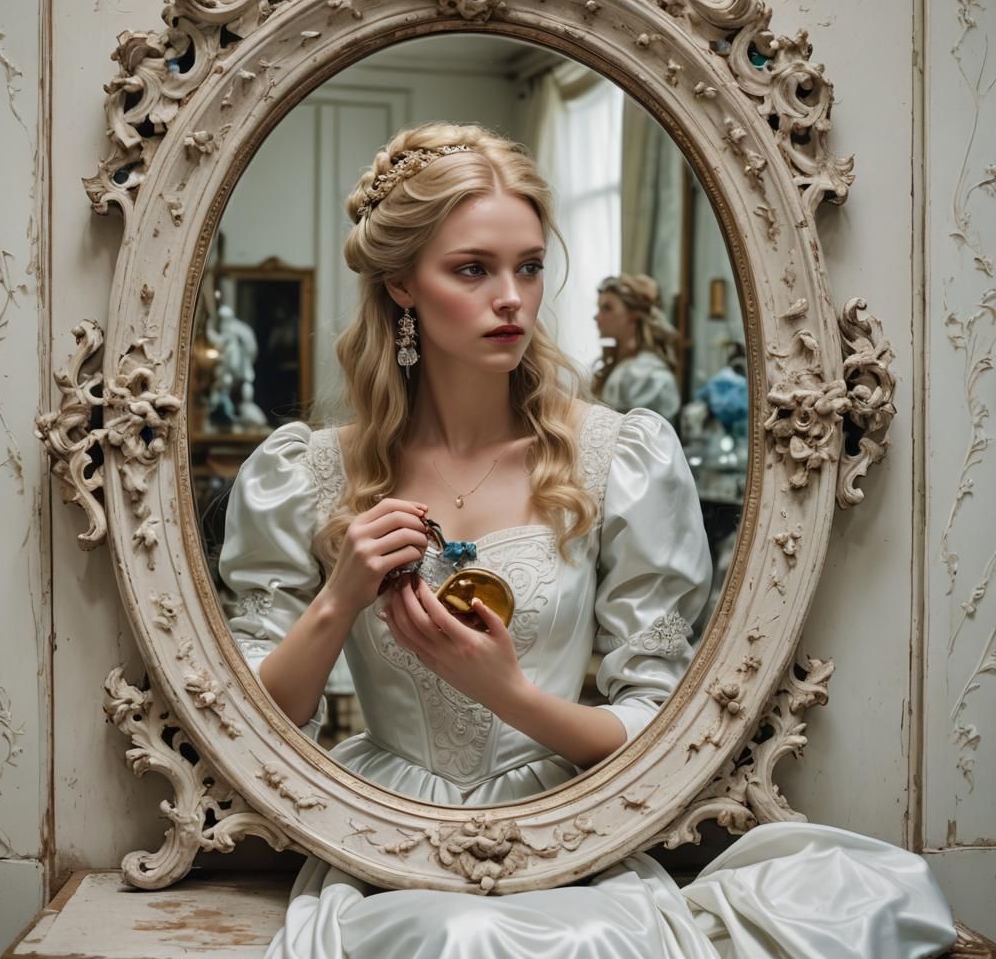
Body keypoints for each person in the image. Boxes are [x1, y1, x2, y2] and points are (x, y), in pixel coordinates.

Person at [219, 123, 956, 959]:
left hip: (568, 828)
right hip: (384, 829)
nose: (513, 298)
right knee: (456, 934)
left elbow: (663, 724)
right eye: (473, 269)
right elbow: (253, 725)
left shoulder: (616, 457)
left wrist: (512, 694)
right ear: (400, 286)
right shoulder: (310, 472)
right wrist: (338, 598)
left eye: (529, 266)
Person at [593, 273, 681, 420]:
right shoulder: (617, 365)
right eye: (599, 308)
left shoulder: (647, 374)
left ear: (633, 315)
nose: (596, 316)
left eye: (607, 308)